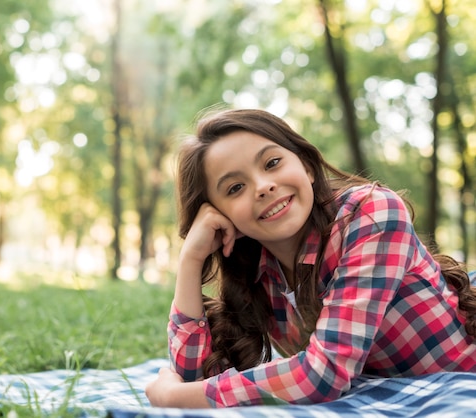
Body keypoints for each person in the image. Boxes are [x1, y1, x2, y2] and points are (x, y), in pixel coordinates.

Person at [144, 108, 476, 409]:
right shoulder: (259, 274)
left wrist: (173, 397)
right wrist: (190, 259)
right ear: (221, 214)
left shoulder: (371, 214)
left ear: (306, 165)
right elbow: (193, 376)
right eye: (234, 188)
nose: (262, 186)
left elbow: (324, 373)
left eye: (272, 163)